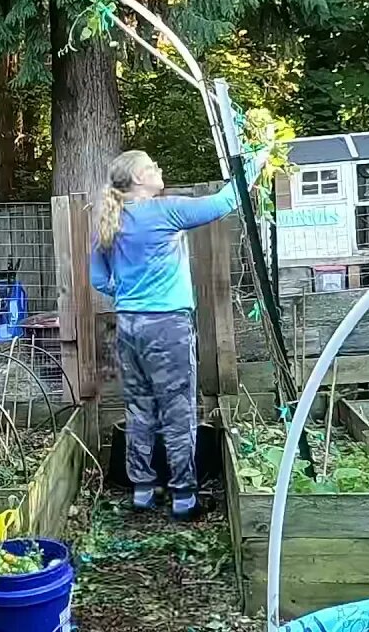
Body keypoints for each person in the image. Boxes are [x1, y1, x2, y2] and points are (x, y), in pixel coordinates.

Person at [90, 149, 267, 520]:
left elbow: (97, 279)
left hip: (129, 326)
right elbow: (224, 202)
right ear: (138, 179)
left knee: (139, 410)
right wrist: (255, 161)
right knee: (178, 412)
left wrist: (127, 293)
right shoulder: (164, 210)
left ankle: (142, 493)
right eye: (152, 166)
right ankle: (184, 498)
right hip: (167, 327)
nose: (159, 168)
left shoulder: (112, 219)